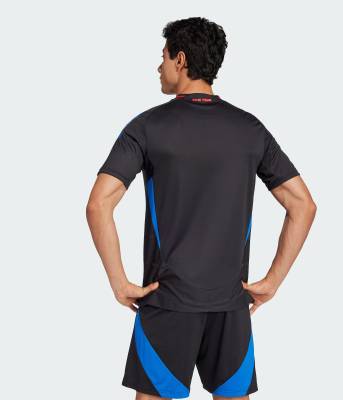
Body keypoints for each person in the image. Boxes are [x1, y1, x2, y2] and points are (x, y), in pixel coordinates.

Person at [86, 16, 317, 400]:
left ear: (180, 60)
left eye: (163, 56)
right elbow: (303, 204)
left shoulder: (147, 127)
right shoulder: (250, 129)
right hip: (230, 306)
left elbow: (99, 204)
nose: (158, 66)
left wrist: (119, 282)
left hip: (167, 302)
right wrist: (272, 282)